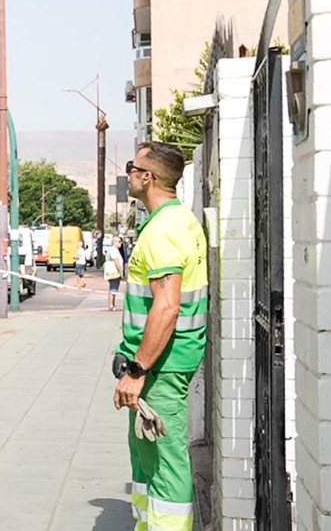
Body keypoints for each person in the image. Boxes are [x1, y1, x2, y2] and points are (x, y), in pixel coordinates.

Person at [112, 142, 208, 531]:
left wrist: (138, 370)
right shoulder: (178, 220)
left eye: (132, 167)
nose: (129, 174)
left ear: (147, 177)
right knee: (147, 456)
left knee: (166, 461)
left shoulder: (164, 231)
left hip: (161, 367)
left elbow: (167, 308)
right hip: (161, 362)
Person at [104, 238, 125, 311]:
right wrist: (120, 270)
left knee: (113, 287)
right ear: (114, 242)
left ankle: (113, 304)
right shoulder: (114, 250)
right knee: (113, 288)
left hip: (111, 272)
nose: (121, 243)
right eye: (119, 241)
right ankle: (111, 305)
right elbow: (116, 261)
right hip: (114, 272)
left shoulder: (111, 250)